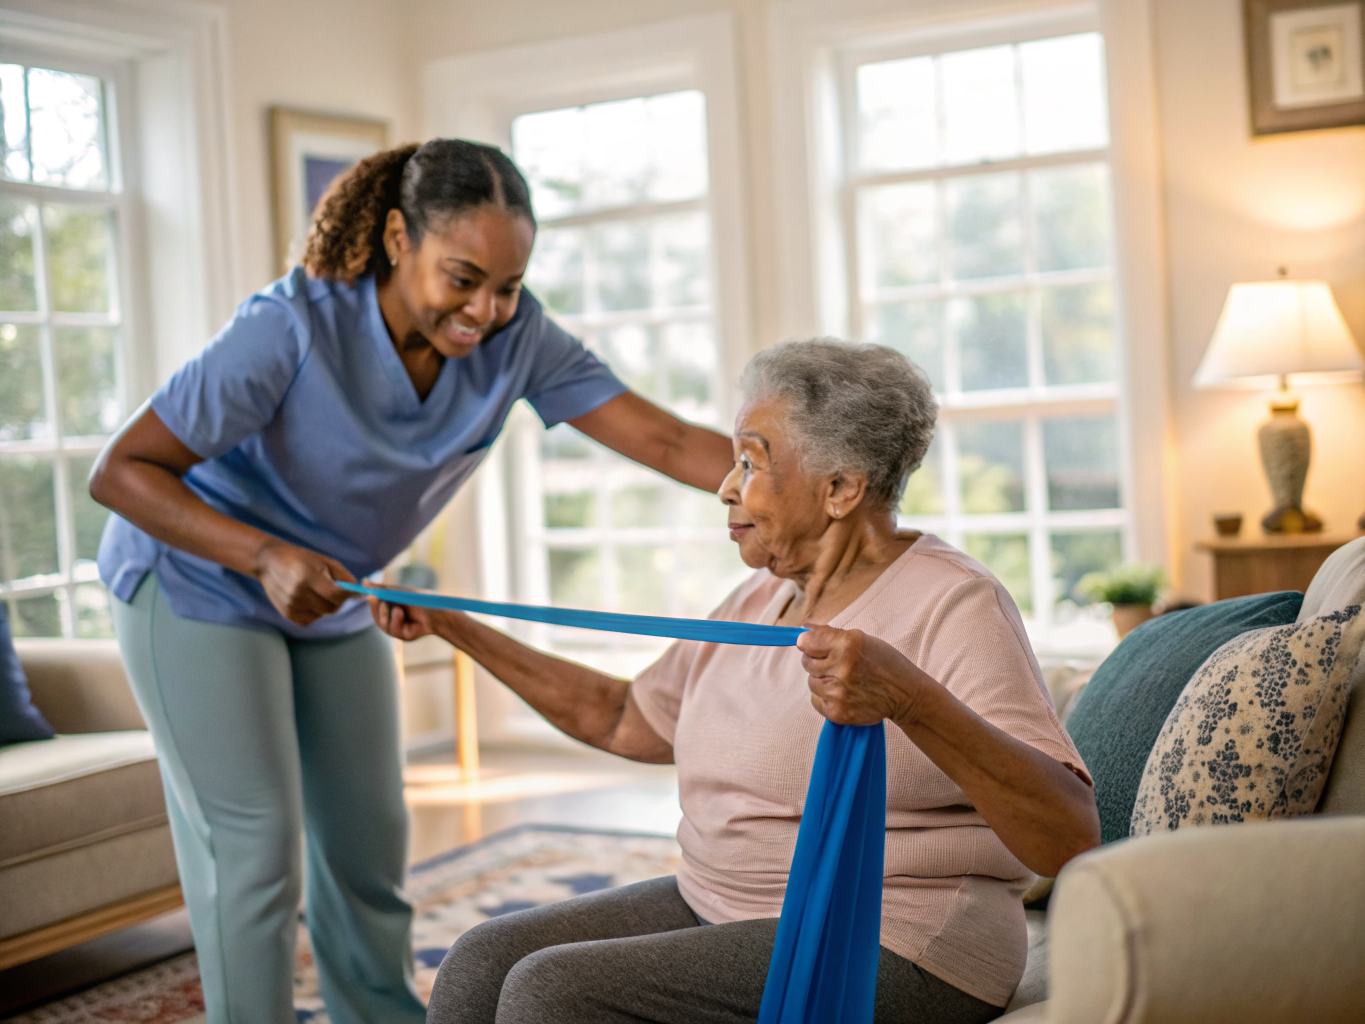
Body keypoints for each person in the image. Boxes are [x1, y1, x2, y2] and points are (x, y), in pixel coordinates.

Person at [89, 139, 733, 1024]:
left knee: (367, 839)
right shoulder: (290, 328)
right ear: (397, 237)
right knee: (255, 849)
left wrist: (809, 483)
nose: (484, 310)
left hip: (333, 593)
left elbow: (664, 441)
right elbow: (122, 470)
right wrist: (264, 556)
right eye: (461, 278)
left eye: (506, 286)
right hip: (194, 580)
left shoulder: (519, 339)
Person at [372, 339, 1101, 1024]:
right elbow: (625, 717)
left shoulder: (953, 602)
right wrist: (453, 626)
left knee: (551, 992)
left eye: (751, 464)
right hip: (723, 902)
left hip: (894, 935)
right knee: (482, 960)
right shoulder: (762, 597)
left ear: (840, 488)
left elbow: (1066, 833)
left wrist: (910, 701)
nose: (724, 488)